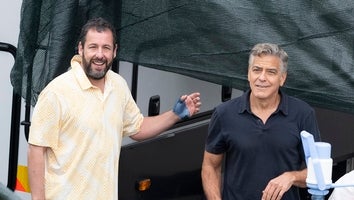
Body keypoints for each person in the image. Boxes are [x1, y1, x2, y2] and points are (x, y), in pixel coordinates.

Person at [27, 17, 201, 200]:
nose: (99, 55)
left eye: (106, 48)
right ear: (80, 49)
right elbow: (36, 149)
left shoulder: (118, 86)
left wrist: (175, 115)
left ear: (115, 51)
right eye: (93, 47)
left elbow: (137, 127)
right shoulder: (57, 92)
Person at [201, 43, 321, 200]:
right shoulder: (224, 114)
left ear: (282, 78)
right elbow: (210, 165)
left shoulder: (303, 114)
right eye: (256, 70)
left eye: (271, 72)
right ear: (248, 74)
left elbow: (319, 173)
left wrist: (291, 177)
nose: (262, 78)